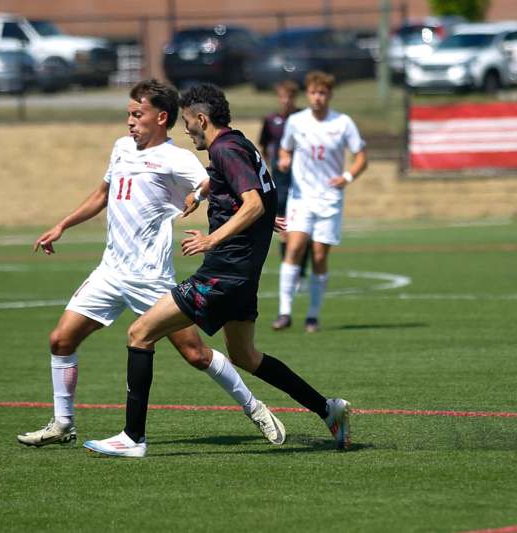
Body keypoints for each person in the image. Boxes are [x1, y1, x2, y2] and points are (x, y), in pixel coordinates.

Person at [83, 84, 351, 458]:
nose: (186, 130)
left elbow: (254, 203)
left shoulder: (224, 148)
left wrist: (213, 239)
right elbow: (253, 190)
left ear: (202, 119)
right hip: (242, 277)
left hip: (222, 274)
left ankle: (133, 438)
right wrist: (202, 195)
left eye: (189, 122)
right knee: (245, 356)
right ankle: (328, 409)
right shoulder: (238, 144)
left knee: (140, 333)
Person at [17, 79, 286, 448]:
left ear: (161, 118)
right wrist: (62, 225)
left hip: (151, 277)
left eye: (136, 114)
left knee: (195, 353)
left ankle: (255, 408)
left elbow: (223, 186)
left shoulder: (179, 158)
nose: (129, 121)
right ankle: (63, 423)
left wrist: (261, 214)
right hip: (110, 271)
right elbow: (102, 195)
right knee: (61, 340)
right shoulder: (121, 149)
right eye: (128, 114)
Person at [276, 71, 368, 333]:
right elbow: (285, 148)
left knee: (318, 255)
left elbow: (362, 157)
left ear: (329, 95)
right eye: (314, 93)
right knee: (294, 247)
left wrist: (347, 176)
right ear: (308, 94)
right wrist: (284, 158)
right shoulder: (296, 121)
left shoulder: (343, 123)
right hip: (301, 197)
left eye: (323, 93)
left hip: (329, 199)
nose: (317, 98)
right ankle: (284, 313)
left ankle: (312, 316)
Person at [258, 81, 310, 331]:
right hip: (279, 179)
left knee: (303, 229)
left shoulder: (303, 118)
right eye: (282, 96)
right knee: (283, 228)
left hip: (302, 180)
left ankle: (300, 271)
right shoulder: (271, 121)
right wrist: (273, 165)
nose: (286, 101)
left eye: (290, 96)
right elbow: (264, 144)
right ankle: (292, 268)